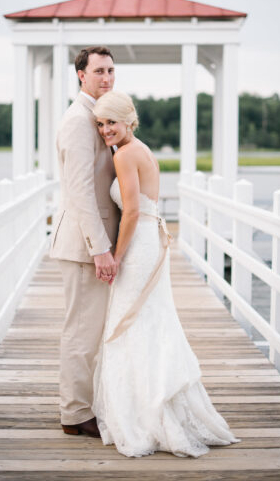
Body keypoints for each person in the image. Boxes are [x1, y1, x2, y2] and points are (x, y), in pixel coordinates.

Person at [92, 91, 240, 458]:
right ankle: (159, 402)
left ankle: (146, 414)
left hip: (137, 246)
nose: (105, 129)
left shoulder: (125, 155)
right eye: (100, 123)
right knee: (152, 322)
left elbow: (129, 213)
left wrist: (115, 256)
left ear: (129, 119)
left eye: (111, 121)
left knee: (133, 326)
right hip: (150, 241)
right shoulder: (141, 149)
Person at [49, 47, 120, 438]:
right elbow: (78, 191)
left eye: (111, 70)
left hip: (94, 243)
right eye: (98, 71)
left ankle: (83, 406)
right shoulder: (78, 121)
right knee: (81, 331)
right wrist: (100, 249)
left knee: (89, 331)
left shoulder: (97, 117)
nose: (106, 77)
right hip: (83, 246)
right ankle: (74, 415)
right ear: (81, 75)